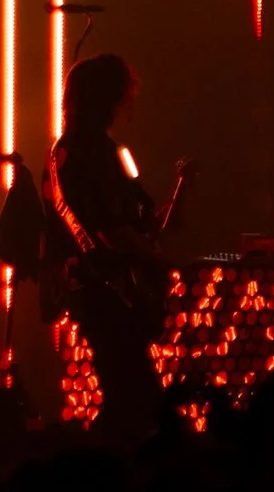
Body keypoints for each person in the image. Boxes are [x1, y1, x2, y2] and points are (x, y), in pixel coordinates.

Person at [48, 54, 180, 444]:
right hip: (108, 288)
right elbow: (109, 227)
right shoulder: (94, 151)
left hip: (91, 286)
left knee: (126, 390)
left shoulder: (67, 150)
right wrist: (153, 257)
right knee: (134, 398)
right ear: (108, 97)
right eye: (125, 93)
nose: (131, 102)